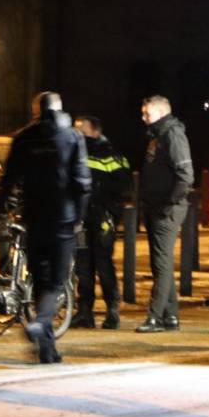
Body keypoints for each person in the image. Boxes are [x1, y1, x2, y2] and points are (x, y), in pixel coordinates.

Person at [0, 92, 90, 363]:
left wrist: (1, 207)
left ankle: (47, 350)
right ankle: (41, 322)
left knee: (40, 280)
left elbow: (9, 178)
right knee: (57, 282)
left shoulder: (24, 138)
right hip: (64, 218)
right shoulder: (73, 137)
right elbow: (83, 181)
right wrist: (79, 217)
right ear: (60, 109)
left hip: (34, 218)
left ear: (36, 110)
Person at [135, 95, 193, 333]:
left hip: (165, 209)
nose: (143, 117)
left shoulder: (172, 134)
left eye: (146, 113)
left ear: (160, 112)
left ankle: (155, 317)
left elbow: (185, 175)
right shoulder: (158, 134)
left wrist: (170, 203)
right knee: (161, 263)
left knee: (161, 264)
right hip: (156, 206)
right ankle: (171, 317)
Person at [72, 116, 130, 329]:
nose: (78, 134)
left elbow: (124, 184)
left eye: (82, 131)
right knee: (83, 266)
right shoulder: (74, 153)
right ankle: (85, 312)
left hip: (102, 218)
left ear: (96, 132)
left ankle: (112, 310)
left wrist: (106, 204)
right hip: (81, 218)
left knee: (104, 264)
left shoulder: (111, 153)